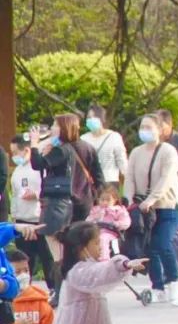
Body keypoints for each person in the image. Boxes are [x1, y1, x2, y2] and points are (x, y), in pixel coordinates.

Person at [30, 114, 104, 292]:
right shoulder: (88, 148)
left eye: (55, 125)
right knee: (73, 246)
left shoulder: (61, 150)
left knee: (58, 250)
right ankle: (76, 286)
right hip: (82, 204)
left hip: (60, 204)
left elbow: (37, 164)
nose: (52, 128)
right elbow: (99, 178)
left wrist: (34, 144)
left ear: (63, 127)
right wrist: (93, 199)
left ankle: (62, 289)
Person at [125, 113, 178, 305]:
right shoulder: (136, 152)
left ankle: (174, 282)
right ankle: (157, 286)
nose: (145, 131)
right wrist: (130, 201)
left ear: (160, 130)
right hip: (144, 210)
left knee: (163, 244)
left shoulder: (168, 151)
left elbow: (166, 179)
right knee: (149, 248)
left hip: (166, 205)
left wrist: (152, 199)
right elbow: (129, 178)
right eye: (143, 127)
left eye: (149, 127)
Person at [9, 138, 49, 285]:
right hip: (22, 220)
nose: (14, 156)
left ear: (26, 150)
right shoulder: (17, 172)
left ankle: (52, 288)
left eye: (15, 152)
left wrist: (36, 195)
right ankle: (25, 287)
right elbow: (14, 195)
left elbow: (48, 190)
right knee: (25, 258)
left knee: (46, 258)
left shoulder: (40, 168)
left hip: (39, 219)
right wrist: (14, 217)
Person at [80, 104, 127, 188]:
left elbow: (121, 160)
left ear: (101, 119)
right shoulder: (83, 138)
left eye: (93, 117)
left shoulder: (114, 136)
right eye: (88, 118)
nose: (90, 120)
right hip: (89, 182)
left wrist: (127, 177)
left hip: (109, 181)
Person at [86, 185, 130, 261]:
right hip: (95, 231)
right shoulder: (96, 210)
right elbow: (87, 220)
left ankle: (104, 259)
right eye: (102, 200)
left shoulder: (118, 210)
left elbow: (126, 222)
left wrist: (116, 224)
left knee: (103, 238)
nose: (105, 202)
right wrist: (95, 218)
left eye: (108, 200)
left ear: (115, 200)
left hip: (111, 233)